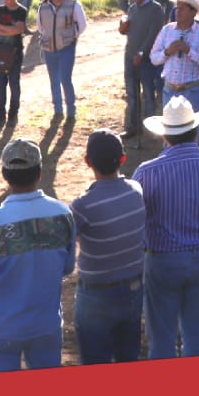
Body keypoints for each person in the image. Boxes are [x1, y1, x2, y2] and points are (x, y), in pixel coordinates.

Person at [133, 96, 199, 358]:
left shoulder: (146, 172)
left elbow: (136, 215)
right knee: (197, 331)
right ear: (196, 132)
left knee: (161, 336)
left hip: (163, 259)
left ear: (165, 135)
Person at [0, 139, 76, 373]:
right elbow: (67, 267)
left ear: (4, 175)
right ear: (39, 172)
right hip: (45, 325)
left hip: (2, 328)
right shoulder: (62, 215)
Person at [70, 130, 146, 365]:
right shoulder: (136, 191)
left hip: (96, 295)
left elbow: (66, 243)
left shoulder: (82, 206)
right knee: (128, 356)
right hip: (132, 290)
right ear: (122, 159)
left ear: (87, 163)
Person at [149, 0, 199, 111]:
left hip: (192, 91)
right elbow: (153, 58)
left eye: (182, 8)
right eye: (177, 7)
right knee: (171, 128)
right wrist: (167, 52)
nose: (178, 11)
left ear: (193, 12)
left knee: (194, 128)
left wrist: (189, 51)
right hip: (169, 90)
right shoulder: (167, 30)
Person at [38, 0, 87, 125]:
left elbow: (82, 25)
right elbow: (40, 27)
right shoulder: (43, 7)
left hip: (67, 47)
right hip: (49, 48)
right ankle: (58, 110)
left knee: (65, 79)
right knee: (54, 80)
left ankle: (71, 111)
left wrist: (71, 37)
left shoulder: (73, 5)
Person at [121, 0, 164, 141]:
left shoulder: (156, 8)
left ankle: (150, 129)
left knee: (148, 95)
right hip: (129, 56)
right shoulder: (132, 8)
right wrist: (122, 28)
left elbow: (153, 34)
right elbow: (127, 30)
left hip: (146, 59)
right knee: (131, 94)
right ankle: (133, 127)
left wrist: (141, 53)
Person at [0, 0, 28, 127]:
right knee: (0, 84)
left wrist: (0, 26)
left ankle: (13, 113)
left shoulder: (21, 11)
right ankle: (0, 114)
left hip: (15, 51)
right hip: (0, 51)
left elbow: (17, 30)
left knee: (14, 83)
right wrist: (7, 29)